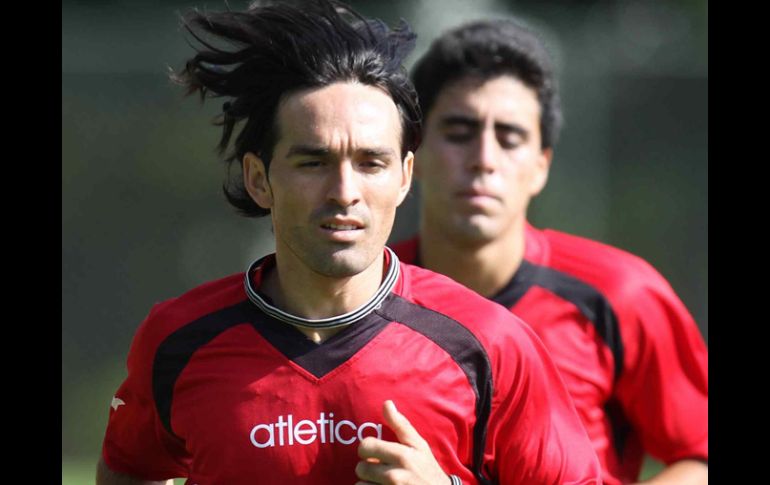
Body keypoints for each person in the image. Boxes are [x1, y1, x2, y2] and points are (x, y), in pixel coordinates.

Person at [96, 1, 602, 484]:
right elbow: (131, 468)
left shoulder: (491, 345)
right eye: (313, 162)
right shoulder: (177, 340)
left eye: (370, 163)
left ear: (405, 177)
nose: (344, 193)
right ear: (258, 179)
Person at [392, 18, 708, 485]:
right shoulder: (368, 296)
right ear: (411, 156)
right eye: (460, 131)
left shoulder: (618, 294)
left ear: (541, 166)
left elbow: (699, 456)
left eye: (510, 137)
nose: (484, 157)